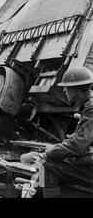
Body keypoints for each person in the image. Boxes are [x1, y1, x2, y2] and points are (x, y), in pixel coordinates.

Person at [23, 67, 93, 197]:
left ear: (77, 89)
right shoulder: (87, 106)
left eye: (67, 87)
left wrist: (46, 155)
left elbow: (78, 145)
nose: (64, 91)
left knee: (46, 167)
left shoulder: (91, 109)